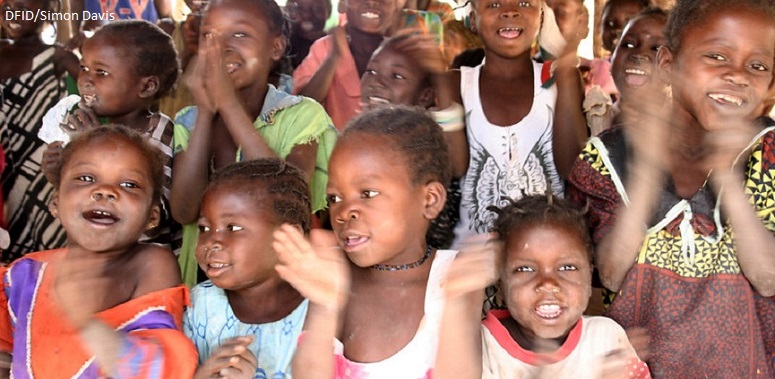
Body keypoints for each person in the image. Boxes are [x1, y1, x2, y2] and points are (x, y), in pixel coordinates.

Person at [568, 0, 775, 376]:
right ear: (668, 63)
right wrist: (647, 166)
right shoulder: (608, 156)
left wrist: (727, 174)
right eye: (717, 56)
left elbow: (767, 276)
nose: (738, 76)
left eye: (757, 65)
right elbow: (611, 273)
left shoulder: (768, 152)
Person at [0, 125, 197, 378]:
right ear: (56, 203)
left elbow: (160, 366)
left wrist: (87, 324)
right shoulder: (26, 274)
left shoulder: (150, 263)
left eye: (129, 184)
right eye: (86, 178)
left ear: (152, 216)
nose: (105, 191)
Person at [273, 106, 455, 378]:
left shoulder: (453, 277)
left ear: (429, 200)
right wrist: (325, 305)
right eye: (334, 198)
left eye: (367, 193)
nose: (345, 211)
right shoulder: (331, 274)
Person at [171, 0, 336, 287]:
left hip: (276, 285)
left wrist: (228, 103)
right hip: (205, 286)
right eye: (210, 35)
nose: (222, 46)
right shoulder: (189, 120)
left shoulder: (301, 114)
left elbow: (287, 203)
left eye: (240, 34)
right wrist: (207, 112)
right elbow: (185, 211)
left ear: (275, 47)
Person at [434, 195, 651, 378]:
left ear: (589, 275)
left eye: (567, 267)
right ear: (501, 283)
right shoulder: (478, 346)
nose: (548, 283)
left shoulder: (605, 338)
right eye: (526, 269)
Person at [446, 0, 587, 247]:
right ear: (472, 19)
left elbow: (571, 169)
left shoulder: (558, 79)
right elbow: (454, 168)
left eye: (524, 2)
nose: (510, 11)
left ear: (541, 18)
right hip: (473, 257)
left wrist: (564, 75)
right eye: (494, 4)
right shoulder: (455, 84)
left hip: (546, 251)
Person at [41, 19, 181, 254]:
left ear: (146, 87)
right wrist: (60, 173)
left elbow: (154, 220)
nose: (85, 79)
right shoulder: (97, 127)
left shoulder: (159, 134)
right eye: (84, 68)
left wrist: (92, 145)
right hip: (102, 258)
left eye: (101, 72)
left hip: (143, 266)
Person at [184, 159, 311, 378]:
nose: (212, 241)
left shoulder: (317, 313)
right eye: (205, 227)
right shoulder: (199, 305)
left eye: (232, 227)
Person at [360, 34, 462, 249]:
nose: (376, 82)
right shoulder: (357, 138)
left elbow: (457, 164)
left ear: (425, 96)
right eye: (371, 71)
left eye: (396, 76)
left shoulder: (425, 143)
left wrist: (441, 78)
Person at [1, 0, 78, 261]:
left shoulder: (57, 57)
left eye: (23, 6)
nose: (12, 13)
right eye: (7, 4)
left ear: (47, 12)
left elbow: (98, 92)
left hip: (39, 174)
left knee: (39, 246)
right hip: (2, 170)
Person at [586, 7, 668, 136]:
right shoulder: (594, 116)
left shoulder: (685, 130)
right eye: (629, 45)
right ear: (612, 56)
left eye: (656, 48)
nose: (639, 54)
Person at [287, 0, 332, 68]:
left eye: (316, 9)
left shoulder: (337, 48)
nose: (306, 15)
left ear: (329, 11)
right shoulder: (277, 47)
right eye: (297, 8)